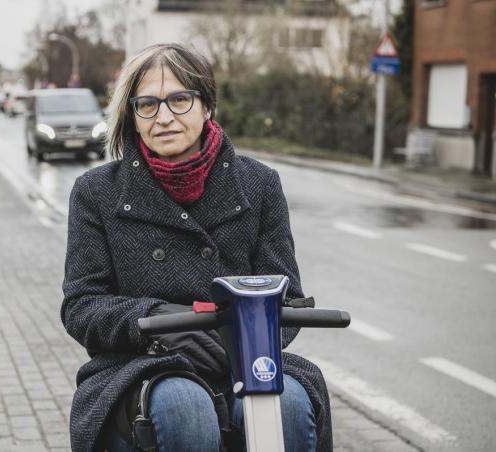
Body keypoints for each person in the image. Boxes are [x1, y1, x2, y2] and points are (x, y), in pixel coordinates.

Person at [62, 43, 332, 452]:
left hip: (246, 360)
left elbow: (288, 300)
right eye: (147, 104)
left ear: (206, 105)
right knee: (184, 408)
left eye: (179, 99)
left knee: (288, 406)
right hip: (140, 364)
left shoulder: (259, 185)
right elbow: (82, 306)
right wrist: (156, 322)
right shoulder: (96, 192)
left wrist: (238, 338)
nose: (164, 117)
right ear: (132, 116)